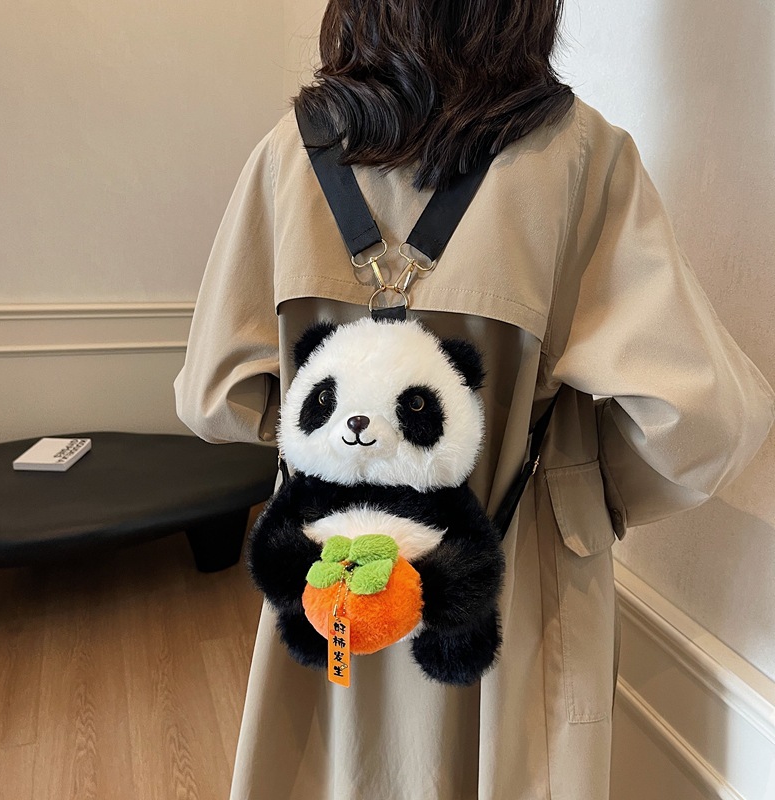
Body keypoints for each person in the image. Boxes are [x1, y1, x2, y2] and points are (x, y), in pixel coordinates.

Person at [173, 1, 775, 798]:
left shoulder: (289, 153)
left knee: (334, 766)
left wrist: (338, 446)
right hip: (512, 577)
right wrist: (575, 487)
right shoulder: (582, 159)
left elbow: (213, 395)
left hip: (331, 569)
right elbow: (709, 421)